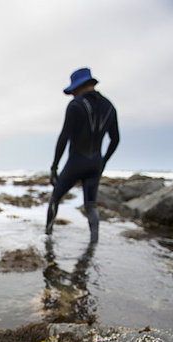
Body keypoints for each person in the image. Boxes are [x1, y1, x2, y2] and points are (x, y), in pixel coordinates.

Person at [46, 67, 119, 243]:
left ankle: (47, 238)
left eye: (73, 92)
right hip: (95, 163)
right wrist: (103, 161)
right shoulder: (109, 106)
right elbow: (115, 139)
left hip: (76, 161)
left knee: (55, 199)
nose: (72, 95)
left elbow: (64, 137)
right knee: (91, 206)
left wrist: (54, 166)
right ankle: (93, 244)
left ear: (79, 87)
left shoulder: (75, 105)